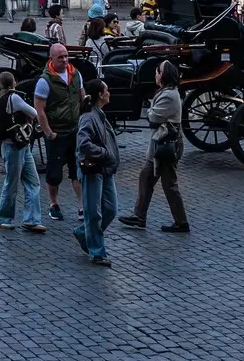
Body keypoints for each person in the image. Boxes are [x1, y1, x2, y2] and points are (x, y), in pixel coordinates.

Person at [120, 61, 189, 233]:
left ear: (163, 75)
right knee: (146, 177)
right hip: (161, 146)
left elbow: (153, 116)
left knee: (169, 184)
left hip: (166, 147)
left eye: (157, 72)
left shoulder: (169, 95)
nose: (155, 75)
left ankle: (181, 222)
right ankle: (139, 216)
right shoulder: (167, 92)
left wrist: (150, 109)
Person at [35, 44, 86, 223]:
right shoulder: (44, 81)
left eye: (66, 56)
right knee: (54, 173)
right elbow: (40, 111)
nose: (64, 60)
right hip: (57, 132)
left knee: (77, 170)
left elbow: (82, 97)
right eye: (60, 57)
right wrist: (48, 133)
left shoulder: (76, 74)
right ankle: (53, 204)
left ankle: (81, 206)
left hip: (75, 130)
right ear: (51, 59)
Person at [72, 79, 119, 265]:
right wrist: (104, 153)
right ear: (100, 94)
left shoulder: (99, 115)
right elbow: (82, 143)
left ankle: (84, 233)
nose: (109, 93)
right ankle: (97, 252)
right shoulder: (89, 117)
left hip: (105, 168)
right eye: (107, 90)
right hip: (94, 169)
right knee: (94, 213)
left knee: (110, 208)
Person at [0, 72, 44, 231]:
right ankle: (4, 218)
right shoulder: (14, 98)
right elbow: (34, 113)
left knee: (32, 180)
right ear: (14, 82)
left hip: (19, 145)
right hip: (15, 145)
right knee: (12, 183)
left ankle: (32, 220)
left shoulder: (0, 97)